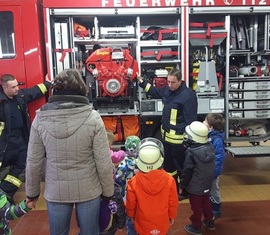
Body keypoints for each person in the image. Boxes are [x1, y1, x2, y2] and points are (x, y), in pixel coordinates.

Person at [25, 69, 114, 235]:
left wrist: (32, 192)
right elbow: (103, 161)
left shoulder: (41, 119)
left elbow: (33, 160)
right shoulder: (93, 118)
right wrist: (108, 192)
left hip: (56, 190)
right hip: (88, 189)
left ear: (55, 90)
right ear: (81, 89)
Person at [137, 68, 198, 195]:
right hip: (166, 139)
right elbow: (154, 91)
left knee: (181, 166)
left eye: (173, 82)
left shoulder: (188, 96)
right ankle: (173, 188)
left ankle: (185, 191)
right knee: (169, 166)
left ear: (180, 81)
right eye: (168, 82)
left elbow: (190, 120)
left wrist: (188, 141)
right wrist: (141, 82)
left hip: (178, 141)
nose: (170, 85)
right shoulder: (167, 90)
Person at [0, 73, 51, 203]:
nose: (17, 89)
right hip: (5, 143)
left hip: (20, 140)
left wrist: (47, 84)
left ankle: (6, 193)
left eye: (17, 85)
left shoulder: (19, 96)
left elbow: (32, 92)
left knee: (23, 166)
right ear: (4, 88)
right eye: (13, 87)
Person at [125, 137, 178, 235]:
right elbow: (173, 202)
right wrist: (172, 216)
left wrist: (131, 215)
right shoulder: (169, 180)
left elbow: (131, 203)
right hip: (162, 222)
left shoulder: (134, 182)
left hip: (142, 223)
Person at [180, 121, 215, 235]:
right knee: (206, 202)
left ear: (193, 138)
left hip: (195, 186)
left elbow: (187, 171)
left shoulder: (191, 153)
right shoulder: (209, 147)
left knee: (196, 207)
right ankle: (209, 221)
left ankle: (196, 226)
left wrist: (183, 185)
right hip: (207, 183)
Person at [203, 113, 226, 220]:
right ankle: (209, 209)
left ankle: (216, 210)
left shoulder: (216, 140)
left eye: (205, 121)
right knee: (208, 190)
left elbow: (219, 157)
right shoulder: (210, 137)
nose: (203, 123)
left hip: (212, 172)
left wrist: (213, 173)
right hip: (207, 171)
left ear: (211, 127)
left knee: (213, 190)